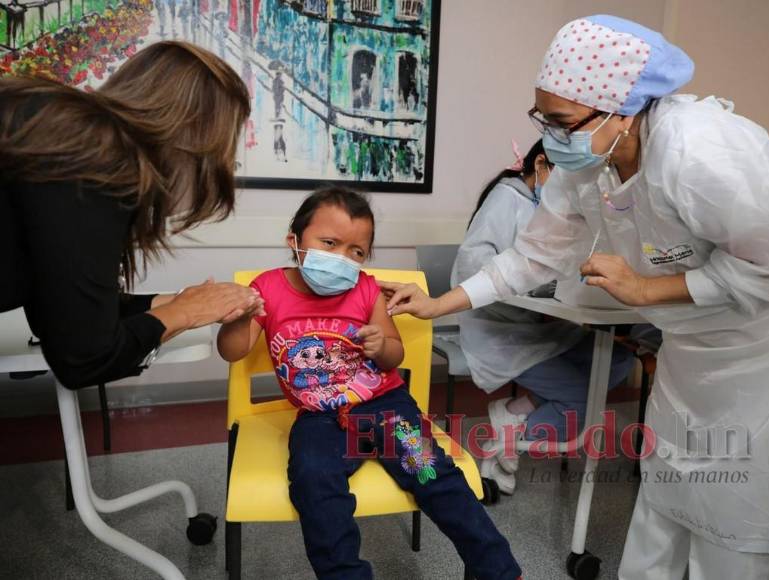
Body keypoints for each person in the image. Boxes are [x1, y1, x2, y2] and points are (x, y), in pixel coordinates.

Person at [381, 14, 769, 579]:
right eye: (543, 119)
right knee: (665, 504)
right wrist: (441, 304)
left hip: (754, 361)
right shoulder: (589, 162)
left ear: (623, 108)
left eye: (562, 121)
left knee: (734, 517)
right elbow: (530, 258)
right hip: (688, 355)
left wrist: (645, 289)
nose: (552, 136)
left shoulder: (702, 154)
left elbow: (765, 266)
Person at [217, 187, 522, 580]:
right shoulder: (268, 288)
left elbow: (395, 354)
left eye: (356, 251)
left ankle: (497, 568)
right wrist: (238, 316)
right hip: (319, 418)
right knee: (312, 480)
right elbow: (233, 351)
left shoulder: (365, 289)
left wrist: (382, 346)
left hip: (387, 408)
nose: (343, 258)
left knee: (433, 473)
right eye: (329, 243)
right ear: (294, 240)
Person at [0, 41, 263, 390]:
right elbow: (84, 358)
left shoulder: (67, 135)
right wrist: (185, 313)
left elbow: (63, 313)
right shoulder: (96, 157)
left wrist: (178, 302)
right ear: (194, 131)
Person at [451, 139, 633, 494]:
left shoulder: (554, 211)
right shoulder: (508, 197)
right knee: (582, 399)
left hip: (542, 326)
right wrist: (531, 286)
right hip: (500, 332)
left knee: (618, 360)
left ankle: (513, 413)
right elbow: (471, 266)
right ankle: (506, 441)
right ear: (541, 165)